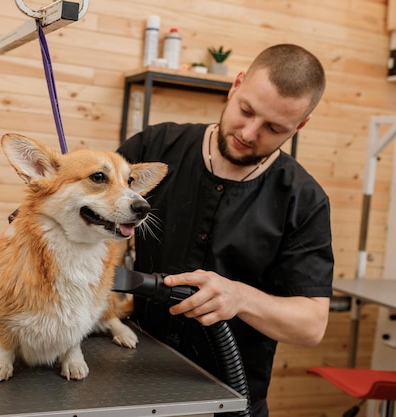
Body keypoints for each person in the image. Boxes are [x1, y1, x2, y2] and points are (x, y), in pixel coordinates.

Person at [117, 43, 333, 417]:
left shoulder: (304, 199)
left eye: (274, 128)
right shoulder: (155, 147)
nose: (250, 133)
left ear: (300, 126)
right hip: (133, 380)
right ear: (235, 85)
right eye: (246, 110)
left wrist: (241, 298)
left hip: (230, 400)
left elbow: (312, 325)